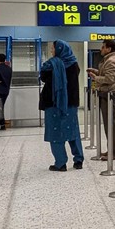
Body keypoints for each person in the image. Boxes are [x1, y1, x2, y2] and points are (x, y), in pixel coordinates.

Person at [39, 39, 84, 171]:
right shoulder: (74, 64)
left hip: (54, 103)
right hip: (71, 103)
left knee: (56, 132)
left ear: (59, 50)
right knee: (73, 130)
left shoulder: (51, 65)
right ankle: (78, 160)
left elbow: (43, 77)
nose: (52, 51)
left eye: (53, 48)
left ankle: (60, 163)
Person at [87, 39, 115, 160]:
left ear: (109, 49)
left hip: (108, 96)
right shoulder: (108, 60)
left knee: (110, 125)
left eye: (103, 47)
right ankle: (111, 150)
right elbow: (105, 74)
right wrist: (96, 71)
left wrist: (96, 77)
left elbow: (109, 79)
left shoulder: (111, 61)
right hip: (105, 95)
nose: (101, 49)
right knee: (108, 124)